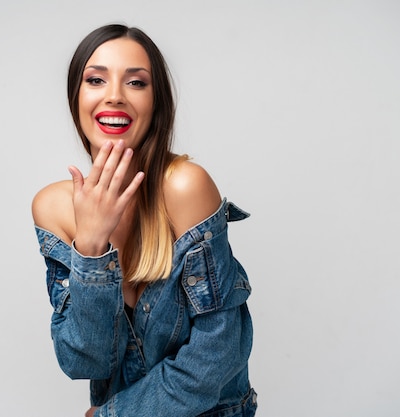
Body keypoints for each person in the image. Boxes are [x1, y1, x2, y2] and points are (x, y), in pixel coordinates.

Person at [32, 23, 257, 417]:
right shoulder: (53, 208)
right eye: (96, 79)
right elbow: (85, 361)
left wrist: (113, 416)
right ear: (76, 97)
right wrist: (91, 246)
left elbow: (217, 355)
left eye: (136, 83)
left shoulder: (186, 187)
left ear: (156, 103)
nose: (114, 96)